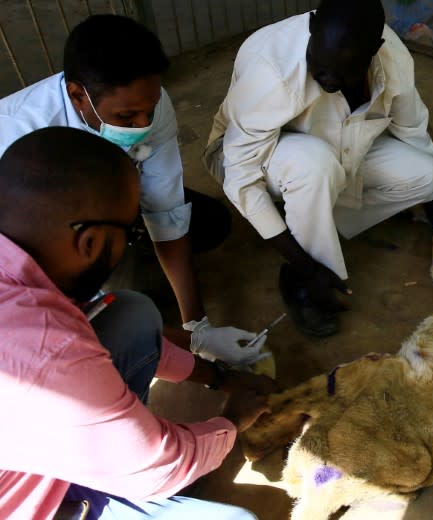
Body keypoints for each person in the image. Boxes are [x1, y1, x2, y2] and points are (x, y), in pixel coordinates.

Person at [0, 127, 277, 520]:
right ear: (90, 243)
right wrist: (232, 421)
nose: (130, 244)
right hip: (26, 505)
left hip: (23, 445)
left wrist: (218, 374)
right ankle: (94, 487)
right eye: (130, 235)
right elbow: (157, 469)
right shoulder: (49, 355)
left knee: (130, 313)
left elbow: (97, 324)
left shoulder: (18, 272)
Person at [0, 14, 260, 367]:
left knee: (210, 224)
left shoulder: (150, 103)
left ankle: (134, 269)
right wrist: (189, 348)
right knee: (117, 321)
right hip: (31, 243)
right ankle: (124, 276)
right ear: (78, 96)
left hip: (107, 206)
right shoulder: (19, 136)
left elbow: (165, 206)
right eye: (126, 117)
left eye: (148, 112)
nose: (142, 125)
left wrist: (197, 325)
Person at [204, 0, 433, 337]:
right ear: (312, 29)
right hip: (252, 159)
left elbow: (411, 127)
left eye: (344, 70)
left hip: (332, 150)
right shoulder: (272, 71)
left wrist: (429, 196)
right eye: (320, 65)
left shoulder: (393, 58)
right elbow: (239, 175)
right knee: (313, 166)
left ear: (375, 50)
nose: (328, 77)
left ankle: (310, 218)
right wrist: (301, 261)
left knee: (424, 174)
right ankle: (302, 278)